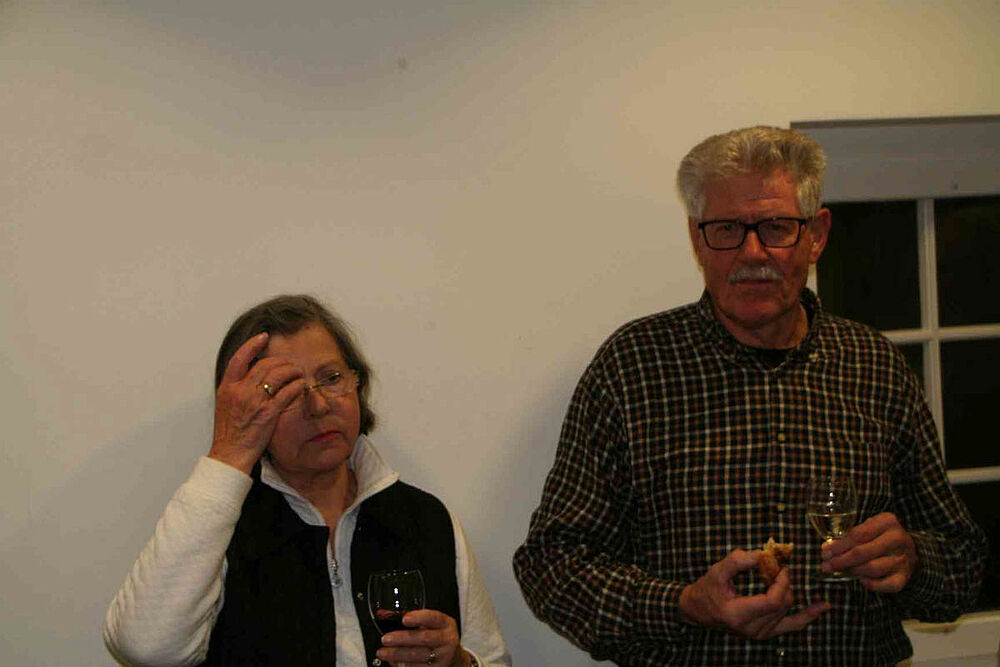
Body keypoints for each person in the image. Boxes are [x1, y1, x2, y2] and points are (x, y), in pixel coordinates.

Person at [513, 126, 987, 665]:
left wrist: (913, 561)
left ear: (817, 235)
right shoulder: (633, 368)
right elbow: (551, 567)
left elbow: (964, 566)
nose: (753, 252)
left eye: (777, 228)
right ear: (697, 239)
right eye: (727, 229)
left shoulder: (874, 366)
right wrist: (684, 605)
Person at [104, 295, 511, 667]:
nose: (317, 405)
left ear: (358, 383)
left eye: (331, 378)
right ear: (245, 409)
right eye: (286, 392)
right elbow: (144, 647)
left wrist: (460, 663)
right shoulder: (218, 527)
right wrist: (229, 452)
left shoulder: (425, 519)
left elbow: (494, 660)